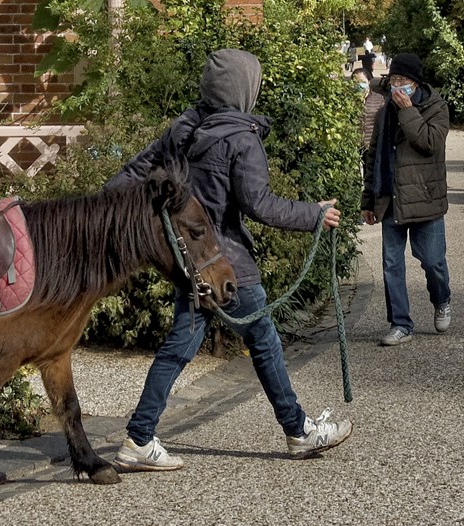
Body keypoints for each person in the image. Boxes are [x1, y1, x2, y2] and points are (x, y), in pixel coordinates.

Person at [111, 48, 350, 471]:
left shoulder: (184, 129)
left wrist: (90, 209)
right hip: (227, 265)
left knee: (179, 347)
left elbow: (135, 172)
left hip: (188, 261)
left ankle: (139, 438)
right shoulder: (241, 139)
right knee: (265, 343)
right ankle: (299, 432)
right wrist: (315, 214)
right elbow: (261, 205)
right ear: (245, 89)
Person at [362, 53, 452, 345]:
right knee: (392, 264)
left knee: (433, 262)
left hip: (425, 196)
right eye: (393, 81)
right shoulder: (384, 111)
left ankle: (442, 300)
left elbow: (429, 143)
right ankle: (400, 323)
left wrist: (408, 111)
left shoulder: (436, 108)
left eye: (403, 81)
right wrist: (368, 200)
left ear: (416, 83)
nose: (397, 87)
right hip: (391, 197)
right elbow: (373, 156)